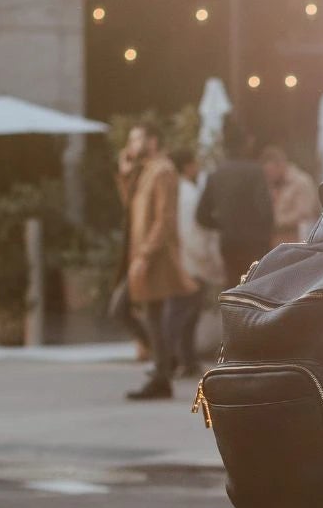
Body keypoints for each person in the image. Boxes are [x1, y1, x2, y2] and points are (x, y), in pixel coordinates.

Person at [116, 118, 193, 400]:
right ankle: (163, 365)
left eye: (136, 139)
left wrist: (146, 255)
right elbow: (130, 206)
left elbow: (165, 218)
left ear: (152, 141)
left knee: (128, 309)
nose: (131, 146)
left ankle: (163, 369)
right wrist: (125, 174)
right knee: (147, 315)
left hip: (153, 257)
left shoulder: (162, 171)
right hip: (141, 254)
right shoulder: (146, 170)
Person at [195, 114, 274, 287]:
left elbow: (201, 215)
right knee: (256, 288)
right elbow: (266, 211)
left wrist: (223, 224)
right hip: (254, 242)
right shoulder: (255, 172)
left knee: (232, 288)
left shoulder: (216, 174)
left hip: (228, 242)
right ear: (245, 144)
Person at [168, 146, 212, 378]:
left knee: (183, 312)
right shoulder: (188, 194)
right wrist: (205, 258)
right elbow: (193, 232)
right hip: (191, 260)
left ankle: (186, 359)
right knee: (184, 312)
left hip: (179, 259)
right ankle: (177, 359)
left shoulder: (174, 190)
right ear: (187, 166)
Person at [259, 143, 318, 251]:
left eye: (270, 172)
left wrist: (274, 222)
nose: (268, 176)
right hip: (275, 243)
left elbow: (304, 213)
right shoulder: (271, 183)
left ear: (281, 165)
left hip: (297, 242)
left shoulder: (301, 182)